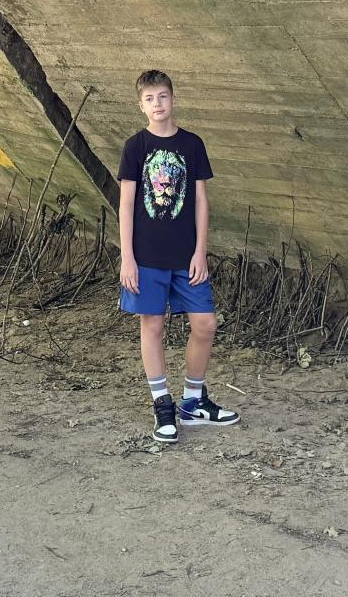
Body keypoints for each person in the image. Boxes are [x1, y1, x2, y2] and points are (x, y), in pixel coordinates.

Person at [118, 68, 239, 442]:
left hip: (187, 258)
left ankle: (192, 402)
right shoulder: (135, 147)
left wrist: (201, 251)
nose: (158, 104)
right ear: (141, 105)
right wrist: (127, 257)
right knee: (152, 325)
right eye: (150, 99)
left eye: (163, 97)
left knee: (205, 324)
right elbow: (125, 204)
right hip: (147, 256)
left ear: (173, 99)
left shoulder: (192, 144)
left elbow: (201, 201)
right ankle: (162, 406)